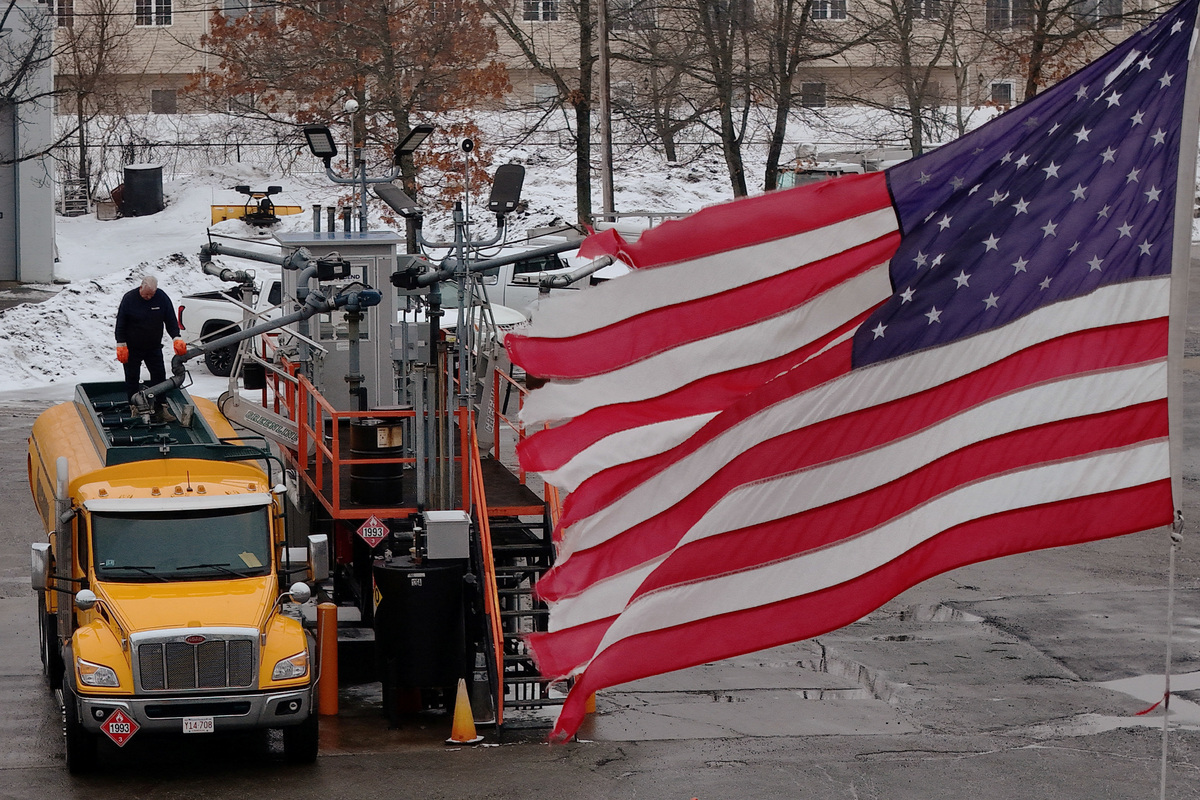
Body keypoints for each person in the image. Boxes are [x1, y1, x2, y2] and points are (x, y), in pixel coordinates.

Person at [115, 275, 186, 419]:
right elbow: (121, 322)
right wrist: (121, 344)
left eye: (151, 295)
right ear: (141, 287)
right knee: (132, 377)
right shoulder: (129, 299)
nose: (148, 297)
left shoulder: (161, 298)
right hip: (132, 347)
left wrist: (176, 338)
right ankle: (134, 407)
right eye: (146, 294)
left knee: (159, 375)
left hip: (153, 347)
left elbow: (170, 320)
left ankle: (161, 407)